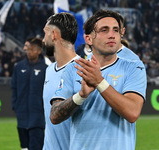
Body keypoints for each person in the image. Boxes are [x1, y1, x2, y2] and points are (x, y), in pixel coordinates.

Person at [49, 10, 147, 150]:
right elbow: (54, 116)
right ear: (88, 39)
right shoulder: (73, 69)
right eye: (104, 30)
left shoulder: (133, 67)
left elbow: (132, 113)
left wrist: (99, 82)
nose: (112, 35)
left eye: (116, 30)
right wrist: (80, 96)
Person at [42, 12, 80, 150]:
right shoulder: (50, 70)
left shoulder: (83, 70)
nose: (42, 40)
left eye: (45, 33)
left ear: (54, 35)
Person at [11, 38, 47, 150]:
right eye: (28, 49)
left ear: (39, 51)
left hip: (38, 117)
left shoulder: (46, 69)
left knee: (36, 146)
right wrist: (15, 105)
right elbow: (14, 87)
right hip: (22, 115)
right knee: (24, 147)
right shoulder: (19, 67)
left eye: (32, 49)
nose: (29, 52)